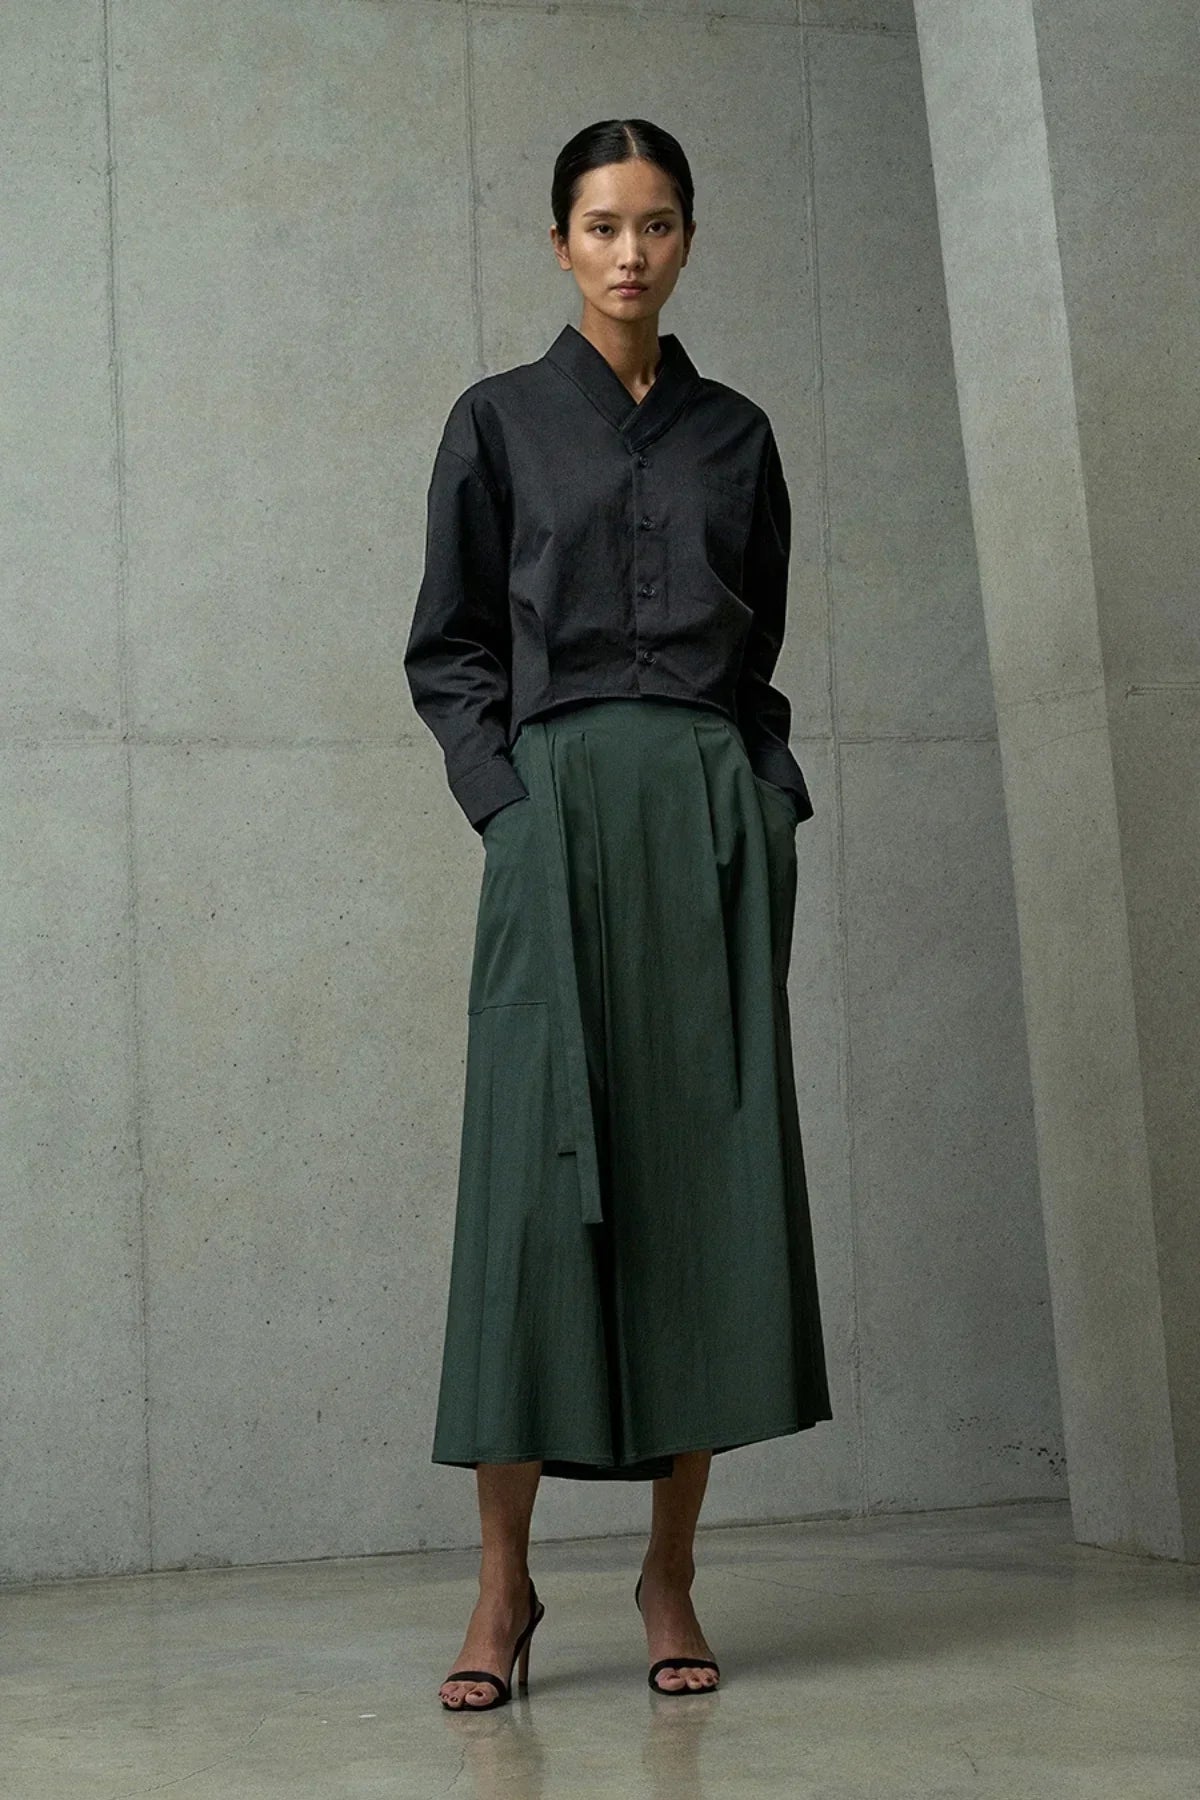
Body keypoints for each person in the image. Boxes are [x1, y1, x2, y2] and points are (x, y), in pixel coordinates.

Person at [404, 118, 832, 1711]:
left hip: (707, 824)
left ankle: (669, 1573)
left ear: (688, 237)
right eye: (601, 224)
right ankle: (503, 1586)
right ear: (560, 243)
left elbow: (756, 645)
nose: (629, 252)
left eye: (655, 224)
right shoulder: (500, 420)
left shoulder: (738, 435)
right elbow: (449, 644)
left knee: (696, 1189)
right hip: (556, 814)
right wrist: (508, 809)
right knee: (529, 1194)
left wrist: (762, 796)